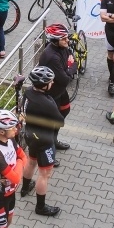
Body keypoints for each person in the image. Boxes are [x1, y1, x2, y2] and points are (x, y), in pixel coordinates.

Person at [19, 65, 63, 217]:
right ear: (44, 85)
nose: (52, 83)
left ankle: (25, 188)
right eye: (50, 81)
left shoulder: (28, 92)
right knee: (44, 174)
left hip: (30, 135)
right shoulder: (47, 103)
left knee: (31, 162)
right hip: (44, 141)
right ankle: (40, 207)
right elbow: (60, 122)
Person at [37, 23, 76, 157]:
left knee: (64, 112)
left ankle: (54, 140)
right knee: (50, 123)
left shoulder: (62, 47)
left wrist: (69, 68)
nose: (67, 41)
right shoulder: (52, 57)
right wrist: (70, 68)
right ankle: (47, 153)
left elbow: (73, 61)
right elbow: (65, 79)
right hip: (50, 95)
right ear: (54, 40)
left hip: (60, 91)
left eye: (66, 37)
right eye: (63, 38)